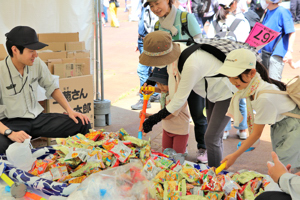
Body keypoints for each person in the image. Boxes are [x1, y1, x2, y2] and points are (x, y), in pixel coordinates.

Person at [138, 31, 249, 167]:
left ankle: (214, 177)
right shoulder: (175, 49)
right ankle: (216, 172)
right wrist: (151, 84)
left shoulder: (191, 65)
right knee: (215, 137)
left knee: (211, 138)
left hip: (226, 93)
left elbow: (178, 100)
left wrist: (153, 120)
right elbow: (173, 88)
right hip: (211, 93)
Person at [0, 26, 91, 154]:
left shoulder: (36, 63)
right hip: (10, 123)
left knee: (82, 123)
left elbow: (51, 87)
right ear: (15, 49)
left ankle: (87, 161)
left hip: (36, 119)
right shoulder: (0, 72)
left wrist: (70, 110)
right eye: (31, 51)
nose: (35, 55)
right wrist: (10, 133)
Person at [145, 0, 209, 163]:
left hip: (192, 76)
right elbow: (159, 55)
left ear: (169, 1)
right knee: (174, 112)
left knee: (197, 115)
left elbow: (200, 45)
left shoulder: (186, 18)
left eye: (157, 3)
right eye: (151, 6)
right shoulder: (158, 26)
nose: (155, 9)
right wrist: (152, 80)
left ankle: (203, 147)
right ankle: (182, 144)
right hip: (170, 77)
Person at [217, 48, 300, 170]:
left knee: (283, 170)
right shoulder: (253, 87)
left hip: (292, 127)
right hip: (282, 125)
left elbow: (256, 134)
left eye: (236, 77)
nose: (233, 82)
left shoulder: (264, 97)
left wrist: (234, 156)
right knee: (286, 166)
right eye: (229, 76)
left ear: (251, 73)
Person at [207, 0, 250, 140]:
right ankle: (242, 128)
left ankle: (224, 130)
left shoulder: (215, 19)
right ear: (234, 4)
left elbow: (209, 41)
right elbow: (245, 43)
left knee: (222, 96)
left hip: (218, 66)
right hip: (237, 65)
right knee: (240, 97)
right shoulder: (241, 20)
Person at [139, 67, 190, 154]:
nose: (160, 86)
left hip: (180, 131)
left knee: (177, 157)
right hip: (167, 129)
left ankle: (184, 151)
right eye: (158, 83)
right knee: (165, 155)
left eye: (163, 84)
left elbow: (168, 115)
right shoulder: (166, 89)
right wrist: (152, 89)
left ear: (172, 82)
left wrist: (149, 116)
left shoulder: (179, 96)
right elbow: (163, 89)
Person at [131, 0, 160, 110]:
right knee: (148, 70)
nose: (154, 7)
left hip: (149, 40)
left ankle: (145, 99)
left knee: (142, 69)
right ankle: (154, 94)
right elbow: (143, 21)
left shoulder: (156, 6)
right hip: (143, 39)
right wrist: (138, 39)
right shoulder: (145, 4)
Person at [260, 0, 295, 81]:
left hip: (276, 53)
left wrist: (289, 51)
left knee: (274, 82)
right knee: (265, 81)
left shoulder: (282, 11)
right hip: (265, 53)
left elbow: (291, 32)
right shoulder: (268, 12)